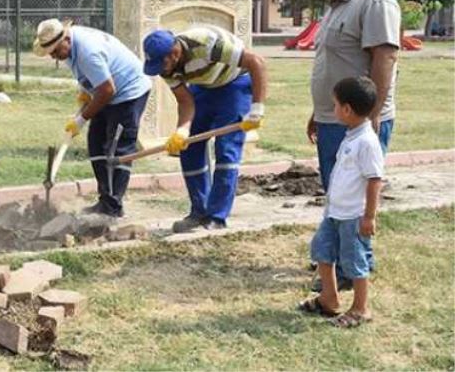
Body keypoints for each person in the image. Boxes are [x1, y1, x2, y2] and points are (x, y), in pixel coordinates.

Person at [307, 0, 400, 291]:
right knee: (337, 195)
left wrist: (370, 116)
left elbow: (384, 58)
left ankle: (351, 268)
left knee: (354, 199)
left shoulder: (374, 3)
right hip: (334, 119)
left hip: (359, 123)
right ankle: (337, 258)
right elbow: (333, 65)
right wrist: (318, 111)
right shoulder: (334, 8)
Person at [143, 25, 268, 231]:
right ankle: (199, 212)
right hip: (203, 87)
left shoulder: (206, 44)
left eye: (161, 64)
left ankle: (216, 217)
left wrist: (257, 109)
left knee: (226, 150)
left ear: (174, 53)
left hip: (234, 83)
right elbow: (185, 102)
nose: (159, 70)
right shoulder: (165, 66)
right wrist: (183, 130)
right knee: (189, 147)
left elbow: (257, 63)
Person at [32, 19, 151, 217]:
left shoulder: (88, 51)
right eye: (50, 52)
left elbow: (107, 90)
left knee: (116, 149)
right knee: (96, 143)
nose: (53, 55)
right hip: (107, 91)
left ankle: (112, 208)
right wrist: (84, 96)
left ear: (66, 39)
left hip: (128, 93)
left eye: (54, 50)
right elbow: (92, 80)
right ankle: (105, 200)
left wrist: (82, 119)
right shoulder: (69, 48)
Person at [298, 76, 383, 328]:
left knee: (354, 260)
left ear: (347, 109)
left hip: (353, 216)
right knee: (322, 249)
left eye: (335, 104)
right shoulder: (352, 136)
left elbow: (374, 180)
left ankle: (360, 308)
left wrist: (368, 216)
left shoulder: (367, 142)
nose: (332, 109)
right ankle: (329, 298)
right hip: (335, 212)